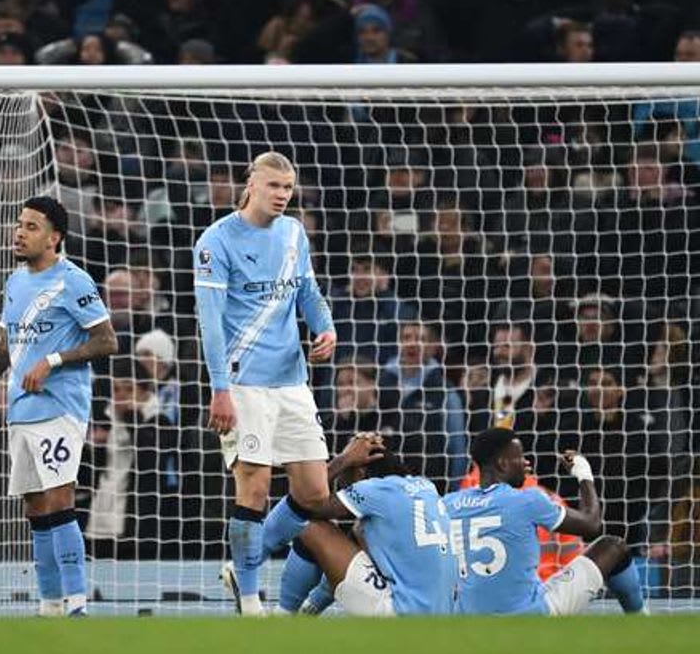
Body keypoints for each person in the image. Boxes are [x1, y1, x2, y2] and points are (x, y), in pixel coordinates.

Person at [0, 196, 117, 617]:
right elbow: (6, 351)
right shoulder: (15, 283)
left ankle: (78, 603)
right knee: (35, 507)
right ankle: (49, 603)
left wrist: (53, 360)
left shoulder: (73, 281)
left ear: (55, 238)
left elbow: (107, 340)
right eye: (19, 224)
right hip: (21, 410)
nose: (20, 233)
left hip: (61, 407)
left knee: (59, 499)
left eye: (32, 227)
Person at [192, 151, 336, 616]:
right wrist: (220, 389)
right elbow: (210, 324)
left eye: (288, 188)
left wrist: (325, 326)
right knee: (252, 486)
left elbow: (307, 291)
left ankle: (241, 564)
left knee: (314, 491)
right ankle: (252, 600)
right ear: (251, 183)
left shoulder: (294, 233)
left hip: (290, 378)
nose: (281, 195)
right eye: (273, 185)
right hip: (242, 381)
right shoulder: (217, 241)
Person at [443, 428, 648, 615]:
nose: (526, 463)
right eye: (520, 456)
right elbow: (592, 523)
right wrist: (583, 475)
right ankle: (640, 621)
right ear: (502, 464)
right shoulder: (528, 500)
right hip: (530, 614)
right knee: (613, 547)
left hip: (468, 618)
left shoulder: (449, 504)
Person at [280, 432, 457, 616]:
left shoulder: (375, 490)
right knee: (358, 537)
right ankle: (306, 613)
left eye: (347, 470)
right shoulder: (425, 485)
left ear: (360, 471)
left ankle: (283, 617)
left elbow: (305, 503)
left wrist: (344, 459)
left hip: (403, 616)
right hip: (441, 617)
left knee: (309, 525)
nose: (341, 480)